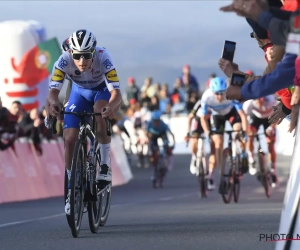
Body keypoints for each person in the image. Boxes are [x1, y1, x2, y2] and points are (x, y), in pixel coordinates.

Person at [46, 29, 123, 215]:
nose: (82, 61)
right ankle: (72, 184)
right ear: (71, 52)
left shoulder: (104, 58)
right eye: (78, 56)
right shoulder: (63, 60)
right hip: (78, 93)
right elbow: (53, 92)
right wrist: (54, 104)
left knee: (100, 113)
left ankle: (104, 165)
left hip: (101, 92)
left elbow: (117, 94)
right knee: (70, 137)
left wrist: (111, 107)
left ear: (94, 52)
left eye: (87, 55)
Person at [199, 77, 249, 193]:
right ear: (212, 92)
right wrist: (207, 133)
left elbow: (242, 115)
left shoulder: (231, 93)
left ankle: (243, 154)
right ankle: (221, 172)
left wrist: (244, 133)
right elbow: (203, 118)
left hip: (231, 113)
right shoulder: (206, 97)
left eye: (222, 93)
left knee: (238, 131)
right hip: (218, 117)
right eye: (217, 94)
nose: (220, 97)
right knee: (218, 141)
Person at [243, 96, 278, 186]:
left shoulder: (271, 100)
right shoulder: (249, 102)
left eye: (261, 101)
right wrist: (246, 131)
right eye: (257, 102)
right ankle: (251, 159)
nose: (260, 103)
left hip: (269, 118)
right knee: (250, 135)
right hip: (255, 118)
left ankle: (273, 170)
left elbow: (278, 115)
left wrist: (271, 127)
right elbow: (244, 117)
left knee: (271, 143)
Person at [185, 99, 216, 190]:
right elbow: (190, 117)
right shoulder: (200, 102)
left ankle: (211, 175)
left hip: (211, 122)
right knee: (194, 139)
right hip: (198, 121)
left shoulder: (217, 102)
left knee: (214, 147)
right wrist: (188, 132)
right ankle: (194, 156)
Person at [146, 110, 175, 181]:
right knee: (153, 150)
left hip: (162, 134)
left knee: (166, 144)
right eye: (154, 121)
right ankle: (154, 168)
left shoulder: (163, 124)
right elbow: (147, 133)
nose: (156, 123)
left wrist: (173, 143)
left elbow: (171, 133)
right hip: (153, 136)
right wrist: (148, 140)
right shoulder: (150, 124)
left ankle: (167, 160)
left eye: (157, 121)